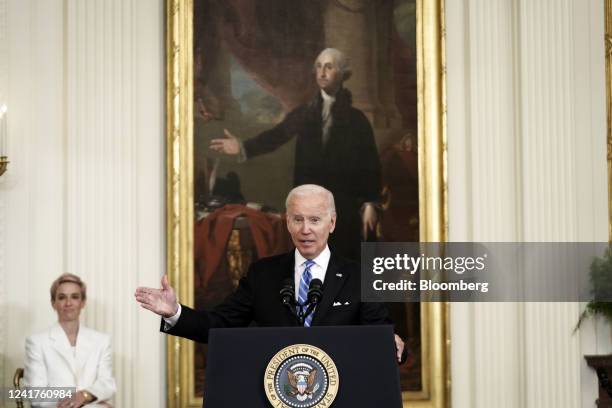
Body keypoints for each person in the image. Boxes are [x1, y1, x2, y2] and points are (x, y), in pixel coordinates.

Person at [135, 184, 405, 361]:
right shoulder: (262, 275)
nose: (305, 229)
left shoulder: (359, 277)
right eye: (297, 219)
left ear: (331, 223)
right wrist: (175, 312)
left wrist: (393, 345)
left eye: (315, 220)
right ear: (287, 222)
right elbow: (219, 325)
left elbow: (380, 335)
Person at [210, 48, 381, 261]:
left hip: (345, 206)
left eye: (329, 67)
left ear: (343, 74)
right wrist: (243, 147)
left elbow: (370, 165)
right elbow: (277, 135)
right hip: (310, 204)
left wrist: (370, 203)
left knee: (346, 264)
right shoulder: (306, 112)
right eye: (319, 66)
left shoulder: (357, 120)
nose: (322, 72)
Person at [24, 274, 116, 408]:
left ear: (83, 302)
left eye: (75, 297)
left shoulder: (101, 341)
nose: (68, 303)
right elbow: (36, 395)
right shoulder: (36, 342)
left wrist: (84, 396)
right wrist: (81, 399)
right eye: (62, 297)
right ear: (53, 303)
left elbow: (107, 384)